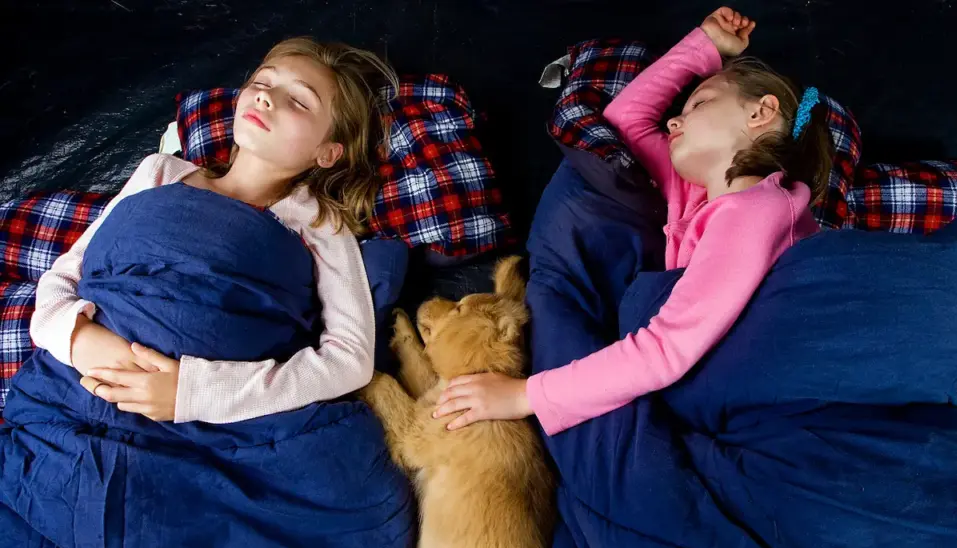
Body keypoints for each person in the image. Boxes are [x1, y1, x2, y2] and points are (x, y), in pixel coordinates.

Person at [434, 6, 833, 434]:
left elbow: (666, 349)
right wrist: (704, 46)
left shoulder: (760, 209)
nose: (674, 118)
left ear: (760, 113)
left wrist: (524, 395)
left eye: (699, 103)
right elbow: (627, 121)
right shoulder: (694, 192)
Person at [29, 38, 397, 424]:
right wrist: (77, 340)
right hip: (85, 384)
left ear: (327, 153)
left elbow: (349, 359)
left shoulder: (318, 223)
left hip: (208, 421)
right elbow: (66, 273)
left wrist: (194, 394)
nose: (266, 98)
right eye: (263, 82)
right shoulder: (160, 171)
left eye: (299, 101)